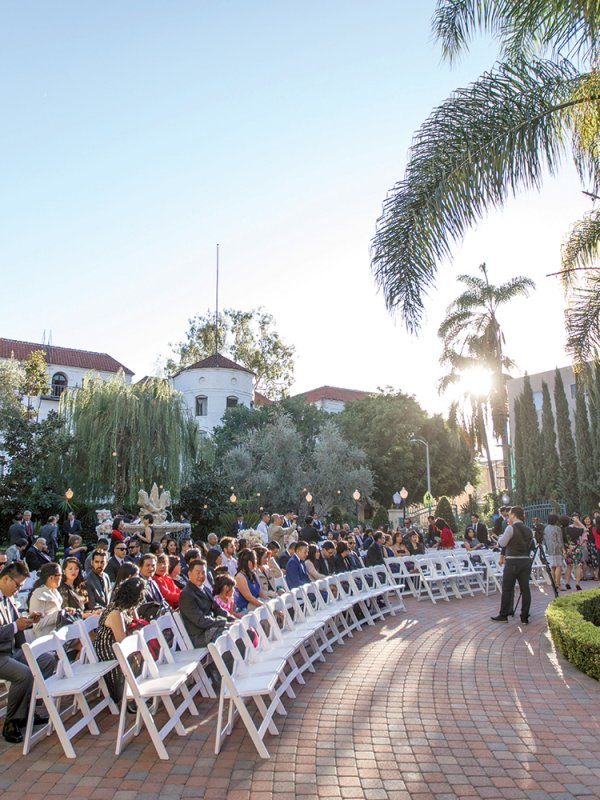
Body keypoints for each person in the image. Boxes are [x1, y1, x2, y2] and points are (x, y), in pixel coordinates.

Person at [0, 561, 54, 744]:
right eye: (17, 585)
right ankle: (11, 721)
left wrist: (29, 620)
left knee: (46, 660)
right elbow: (12, 626)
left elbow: (16, 625)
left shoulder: (7, 598)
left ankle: (27, 710)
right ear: (6, 578)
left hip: (11, 650)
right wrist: (16, 625)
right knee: (23, 674)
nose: (18, 590)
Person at [94, 576, 147, 704]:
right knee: (140, 655)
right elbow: (122, 643)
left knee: (144, 652)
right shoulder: (115, 612)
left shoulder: (123, 607)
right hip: (110, 653)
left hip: (115, 648)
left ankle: (140, 689)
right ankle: (132, 693)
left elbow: (136, 622)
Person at [179, 558, 235, 648]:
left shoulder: (204, 588)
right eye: (198, 573)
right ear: (189, 574)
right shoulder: (186, 595)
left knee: (238, 627)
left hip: (211, 627)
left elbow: (216, 608)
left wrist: (230, 618)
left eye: (203, 572)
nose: (201, 575)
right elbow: (200, 620)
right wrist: (223, 622)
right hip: (200, 635)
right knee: (229, 632)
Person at [491, 506, 534, 624]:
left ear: (514, 515)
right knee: (525, 589)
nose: (508, 516)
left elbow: (502, 542)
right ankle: (524, 616)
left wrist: (499, 538)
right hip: (525, 561)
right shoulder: (528, 529)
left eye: (509, 514)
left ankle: (503, 615)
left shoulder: (511, 528)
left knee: (507, 589)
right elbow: (532, 546)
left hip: (512, 561)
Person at [28, 563, 78, 638]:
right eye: (60, 575)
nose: (61, 578)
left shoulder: (54, 591)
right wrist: (58, 615)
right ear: (51, 577)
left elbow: (57, 612)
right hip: (46, 637)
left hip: (58, 632)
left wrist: (65, 611)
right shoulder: (38, 595)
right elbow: (37, 625)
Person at [138, 554, 169, 619]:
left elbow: (162, 601)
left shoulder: (153, 582)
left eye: (153, 565)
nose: (151, 568)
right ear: (140, 567)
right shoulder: (138, 584)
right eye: (147, 565)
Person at [562, 514, 585, 591]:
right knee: (578, 566)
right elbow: (585, 529)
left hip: (567, 549)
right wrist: (578, 521)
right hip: (576, 549)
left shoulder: (561, 530)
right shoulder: (572, 529)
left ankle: (567, 583)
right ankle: (577, 583)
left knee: (569, 566)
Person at [543, 514, 565, 590]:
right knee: (559, 566)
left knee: (553, 567)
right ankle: (558, 584)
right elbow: (560, 540)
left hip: (549, 549)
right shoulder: (557, 528)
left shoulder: (546, 528)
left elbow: (544, 540)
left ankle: (553, 583)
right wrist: (563, 550)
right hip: (557, 549)